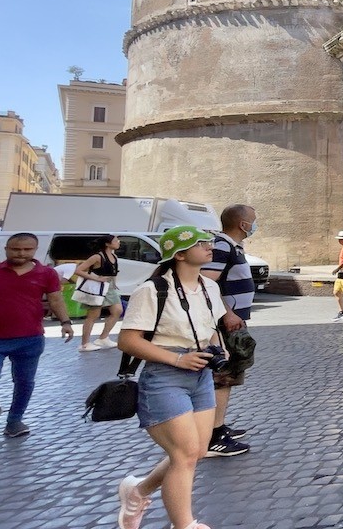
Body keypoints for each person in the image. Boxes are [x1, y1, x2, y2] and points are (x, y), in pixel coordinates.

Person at [116, 226, 228, 529]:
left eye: (208, 242)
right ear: (178, 254)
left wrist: (220, 348)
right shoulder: (152, 290)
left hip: (201, 374)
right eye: (200, 244)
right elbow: (127, 341)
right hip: (165, 376)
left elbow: (211, 326)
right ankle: (185, 524)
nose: (209, 247)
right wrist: (178, 359)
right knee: (185, 454)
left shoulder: (209, 286)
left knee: (196, 452)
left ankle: (138, 491)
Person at [0, 233, 74, 438]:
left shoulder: (46, 273)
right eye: (16, 249)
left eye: (27, 249)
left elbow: (56, 299)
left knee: (24, 382)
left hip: (30, 338)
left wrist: (66, 322)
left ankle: (14, 421)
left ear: (35, 250)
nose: (21, 253)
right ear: (6, 249)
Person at [199, 204, 256, 458]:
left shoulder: (232, 246)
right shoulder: (223, 246)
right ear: (243, 224)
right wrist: (227, 313)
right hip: (225, 323)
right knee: (223, 377)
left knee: (229, 377)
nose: (255, 224)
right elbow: (207, 283)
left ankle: (218, 426)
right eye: (253, 220)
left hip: (231, 321)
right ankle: (214, 437)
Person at [71, 234, 124, 352]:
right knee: (93, 315)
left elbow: (114, 272)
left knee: (117, 310)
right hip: (97, 288)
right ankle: (85, 344)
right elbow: (78, 270)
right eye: (116, 240)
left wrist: (114, 283)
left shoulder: (114, 256)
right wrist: (96, 278)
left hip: (109, 287)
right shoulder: (97, 257)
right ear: (107, 244)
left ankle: (103, 337)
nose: (118, 242)